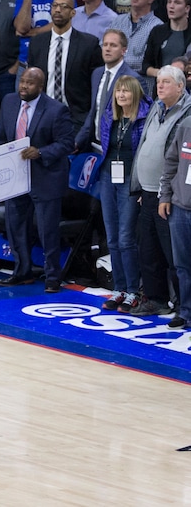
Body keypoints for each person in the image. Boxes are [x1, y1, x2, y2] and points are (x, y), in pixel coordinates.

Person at [0, 67, 74, 293]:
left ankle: (53, 277)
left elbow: (66, 144)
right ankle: (21, 272)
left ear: (40, 87)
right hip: (15, 176)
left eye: (29, 83)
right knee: (15, 227)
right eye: (22, 81)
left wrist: (41, 152)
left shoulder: (57, 110)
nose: (23, 86)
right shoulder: (9, 101)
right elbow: (0, 138)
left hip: (45, 177)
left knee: (47, 231)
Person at [130, 65, 191, 315]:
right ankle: (156, 299)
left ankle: (181, 305)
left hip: (170, 195)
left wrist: (167, 192)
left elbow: (177, 159)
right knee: (148, 250)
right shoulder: (156, 106)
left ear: (180, 86)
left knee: (175, 256)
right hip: (148, 191)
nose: (160, 86)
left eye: (166, 82)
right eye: (158, 82)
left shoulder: (188, 113)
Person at [91, 75, 152, 312]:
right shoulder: (110, 117)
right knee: (112, 237)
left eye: (125, 91)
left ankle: (133, 291)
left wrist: (142, 186)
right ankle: (119, 289)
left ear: (135, 93)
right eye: (118, 91)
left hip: (130, 181)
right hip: (108, 177)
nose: (121, 95)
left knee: (127, 238)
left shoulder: (145, 118)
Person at [26, 0, 102, 133]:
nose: (58, 10)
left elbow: (97, 85)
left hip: (75, 117)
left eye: (63, 6)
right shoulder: (37, 42)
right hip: (41, 115)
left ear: (73, 13)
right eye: (54, 6)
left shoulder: (89, 44)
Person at [158, 94, 191, 328]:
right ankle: (186, 311)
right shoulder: (186, 125)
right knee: (182, 265)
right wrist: (165, 196)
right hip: (180, 206)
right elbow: (170, 163)